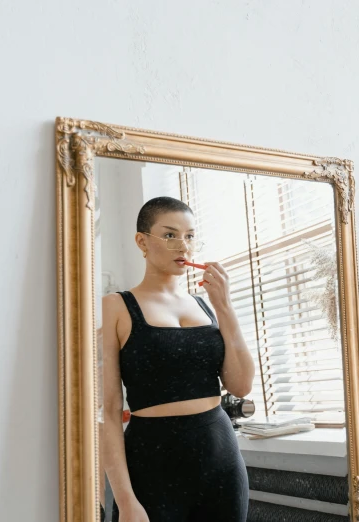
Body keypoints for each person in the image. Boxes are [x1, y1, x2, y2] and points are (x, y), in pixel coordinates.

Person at [102, 196, 255, 522]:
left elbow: (241, 386)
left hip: (221, 461)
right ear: (142, 241)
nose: (182, 246)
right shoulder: (116, 306)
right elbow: (110, 413)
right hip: (151, 465)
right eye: (170, 235)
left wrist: (224, 306)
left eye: (189, 235)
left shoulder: (206, 305)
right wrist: (126, 500)